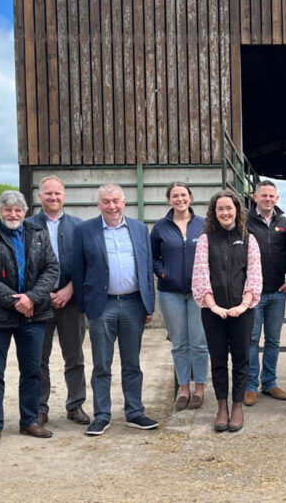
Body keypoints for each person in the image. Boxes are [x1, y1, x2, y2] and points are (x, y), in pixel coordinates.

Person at [0, 190, 59, 449]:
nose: (13, 214)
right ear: (0, 211)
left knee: (32, 371)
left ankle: (30, 420)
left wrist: (31, 298)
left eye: (18, 210)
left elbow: (51, 269)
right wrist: (16, 302)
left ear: (24, 212)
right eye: (8, 209)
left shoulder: (39, 235)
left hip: (34, 315)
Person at [73, 183, 159, 436]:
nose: (111, 206)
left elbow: (146, 268)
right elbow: (78, 270)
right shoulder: (85, 230)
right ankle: (102, 415)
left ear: (124, 202)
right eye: (106, 201)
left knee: (132, 363)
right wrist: (85, 305)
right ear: (98, 204)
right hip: (103, 306)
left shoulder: (139, 229)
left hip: (133, 304)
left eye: (116, 201)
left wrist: (149, 304)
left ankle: (134, 412)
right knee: (102, 364)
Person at [191, 190, 263, 432]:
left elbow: (254, 274)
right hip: (214, 312)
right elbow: (201, 274)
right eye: (220, 209)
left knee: (242, 359)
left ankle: (237, 406)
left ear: (237, 210)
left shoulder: (248, 238)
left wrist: (244, 305)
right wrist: (213, 306)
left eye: (229, 208)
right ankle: (221, 406)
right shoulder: (205, 240)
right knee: (219, 360)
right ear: (214, 212)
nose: (225, 213)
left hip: (242, 311)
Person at [28, 175, 91, 427]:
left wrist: (68, 290)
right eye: (48, 194)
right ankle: (40, 407)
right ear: (39, 196)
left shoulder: (80, 227)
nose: (53, 198)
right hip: (38, 302)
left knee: (74, 356)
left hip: (72, 301)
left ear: (64, 196)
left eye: (57, 194)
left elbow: (88, 263)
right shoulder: (27, 226)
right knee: (38, 358)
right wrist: (40, 294)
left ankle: (75, 405)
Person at [151, 182, 208, 411]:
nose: (180, 199)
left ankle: (200, 389)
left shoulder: (203, 225)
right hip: (170, 294)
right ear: (169, 200)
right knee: (179, 343)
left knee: (199, 343)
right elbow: (153, 257)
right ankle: (183, 389)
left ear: (190, 198)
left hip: (198, 293)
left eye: (183, 195)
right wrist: (163, 273)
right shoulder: (160, 227)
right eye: (175, 196)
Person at [243, 180, 286, 406]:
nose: (268, 199)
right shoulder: (244, 222)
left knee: (273, 340)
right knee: (251, 340)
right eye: (264, 195)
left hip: (277, 293)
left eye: (272, 196)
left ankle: (270, 383)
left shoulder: (284, 222)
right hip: (253, 294)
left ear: (277, 199)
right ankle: (250, 385)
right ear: (255, 197)